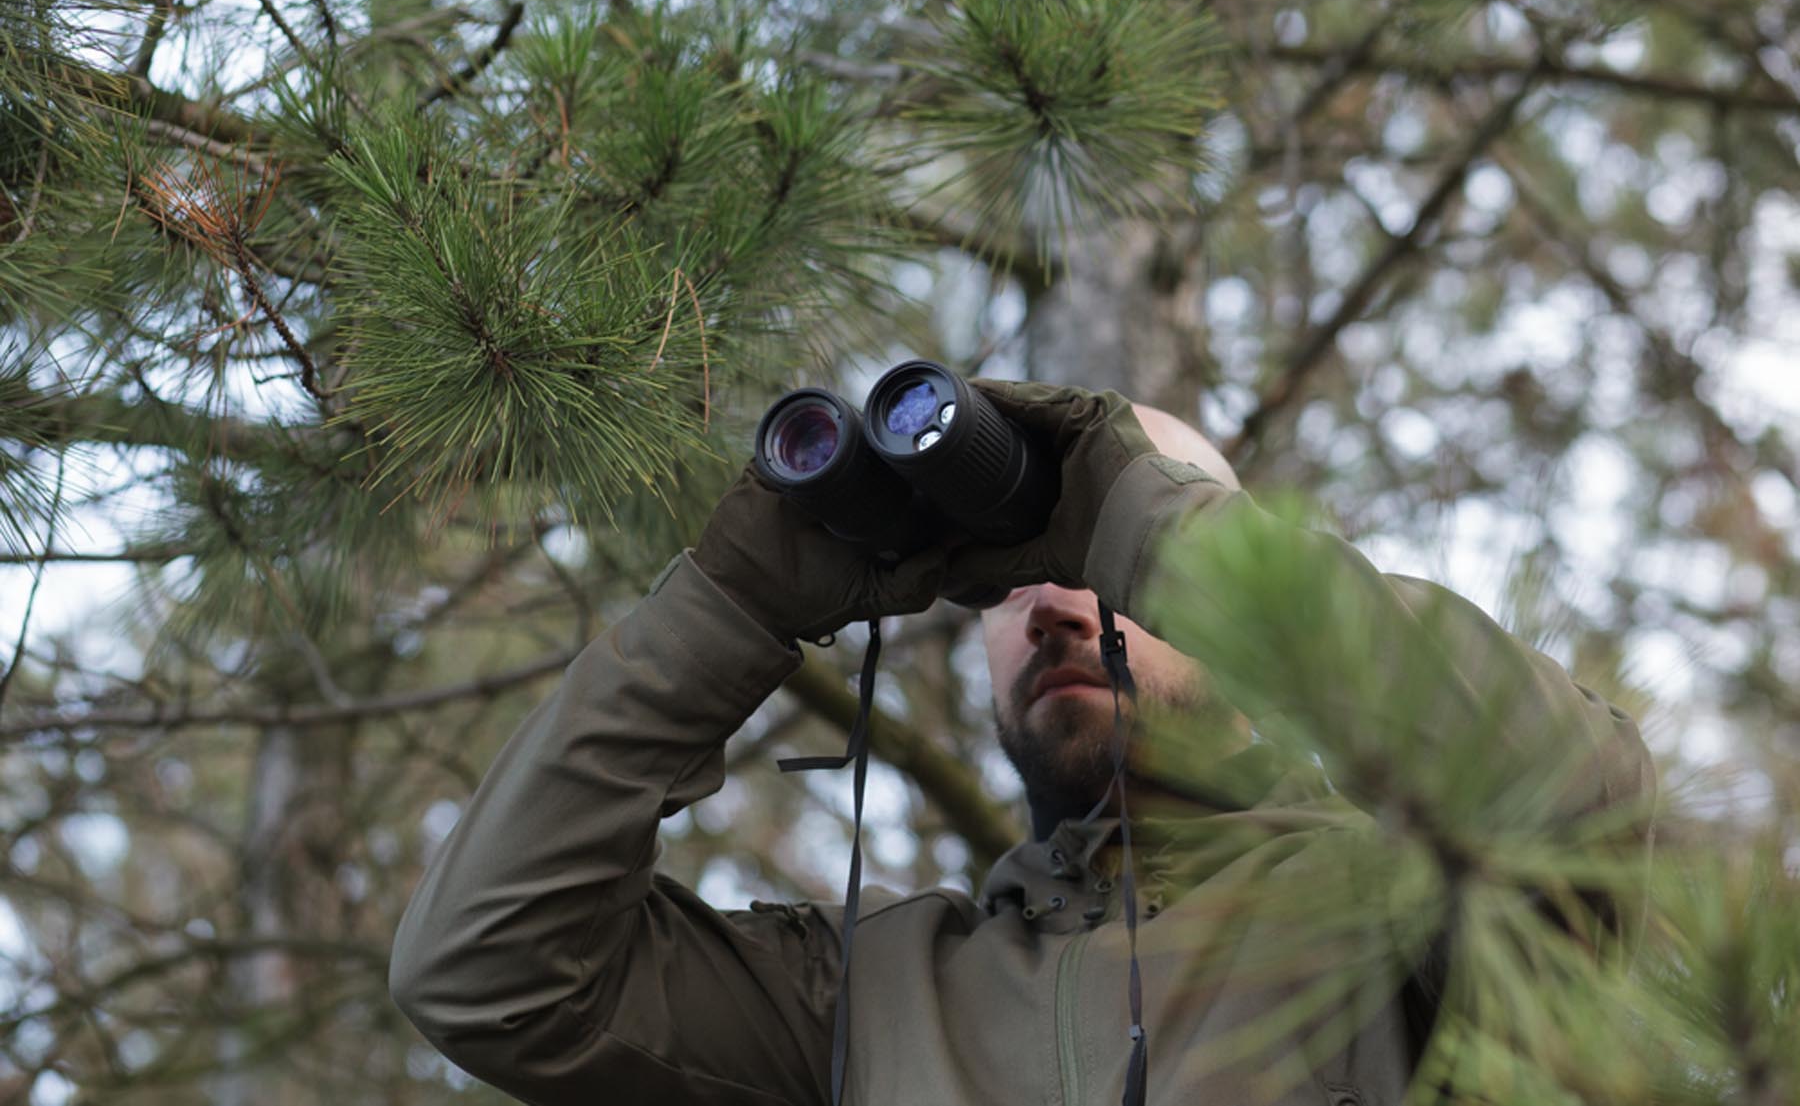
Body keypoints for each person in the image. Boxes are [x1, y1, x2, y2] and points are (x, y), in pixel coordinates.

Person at [388, 380, 1655, 1106]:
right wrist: (731, 604)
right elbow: (487, 974)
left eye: (1104, 570)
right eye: (1009, 590)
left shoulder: (1393, 905)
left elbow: (1566, 794)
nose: (1049, 602)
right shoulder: (870, 991)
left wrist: (1133, 511)